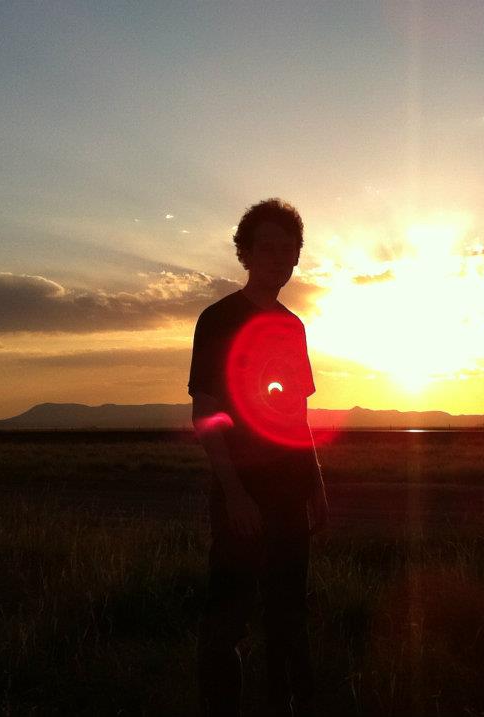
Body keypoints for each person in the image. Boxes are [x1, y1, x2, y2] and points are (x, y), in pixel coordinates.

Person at [189, 198, 329, 717]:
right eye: (266, 246)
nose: (278, 257)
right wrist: (235, 496)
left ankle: (285, 704)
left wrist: (316, 485)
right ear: (245, 254)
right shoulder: (218, 319)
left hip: (291, 493)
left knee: (288, 615)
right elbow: (206, 412)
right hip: (242, 494)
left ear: (297, 258)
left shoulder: (293, 328)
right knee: (228, 617)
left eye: (288, 248)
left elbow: (297, 414)